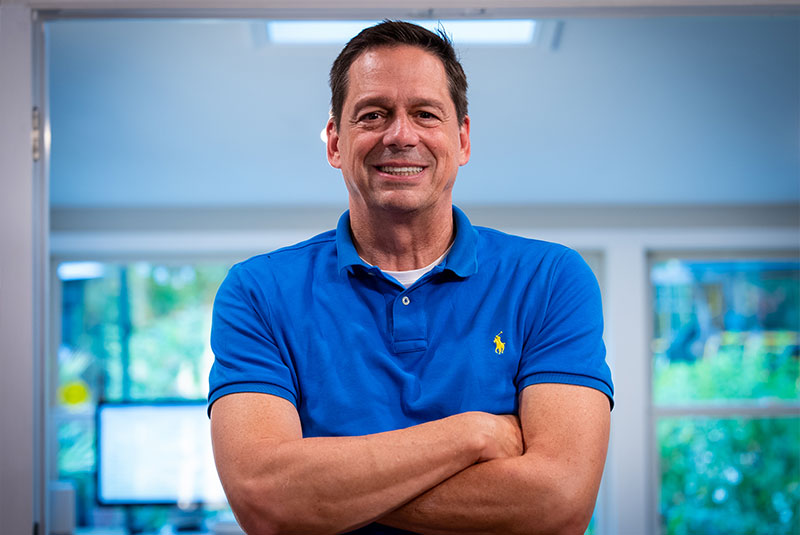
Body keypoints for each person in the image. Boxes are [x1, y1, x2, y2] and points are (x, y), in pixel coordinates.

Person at [208, 20, 613, 535]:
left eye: (425, 114)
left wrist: (322, 492)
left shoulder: (552, 280)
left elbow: (559, 504)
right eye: (373, 114)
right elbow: (264, 501)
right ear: (335, 143)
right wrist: (473, 435)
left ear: (461, 139)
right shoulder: (257, 293)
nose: (401, 135)